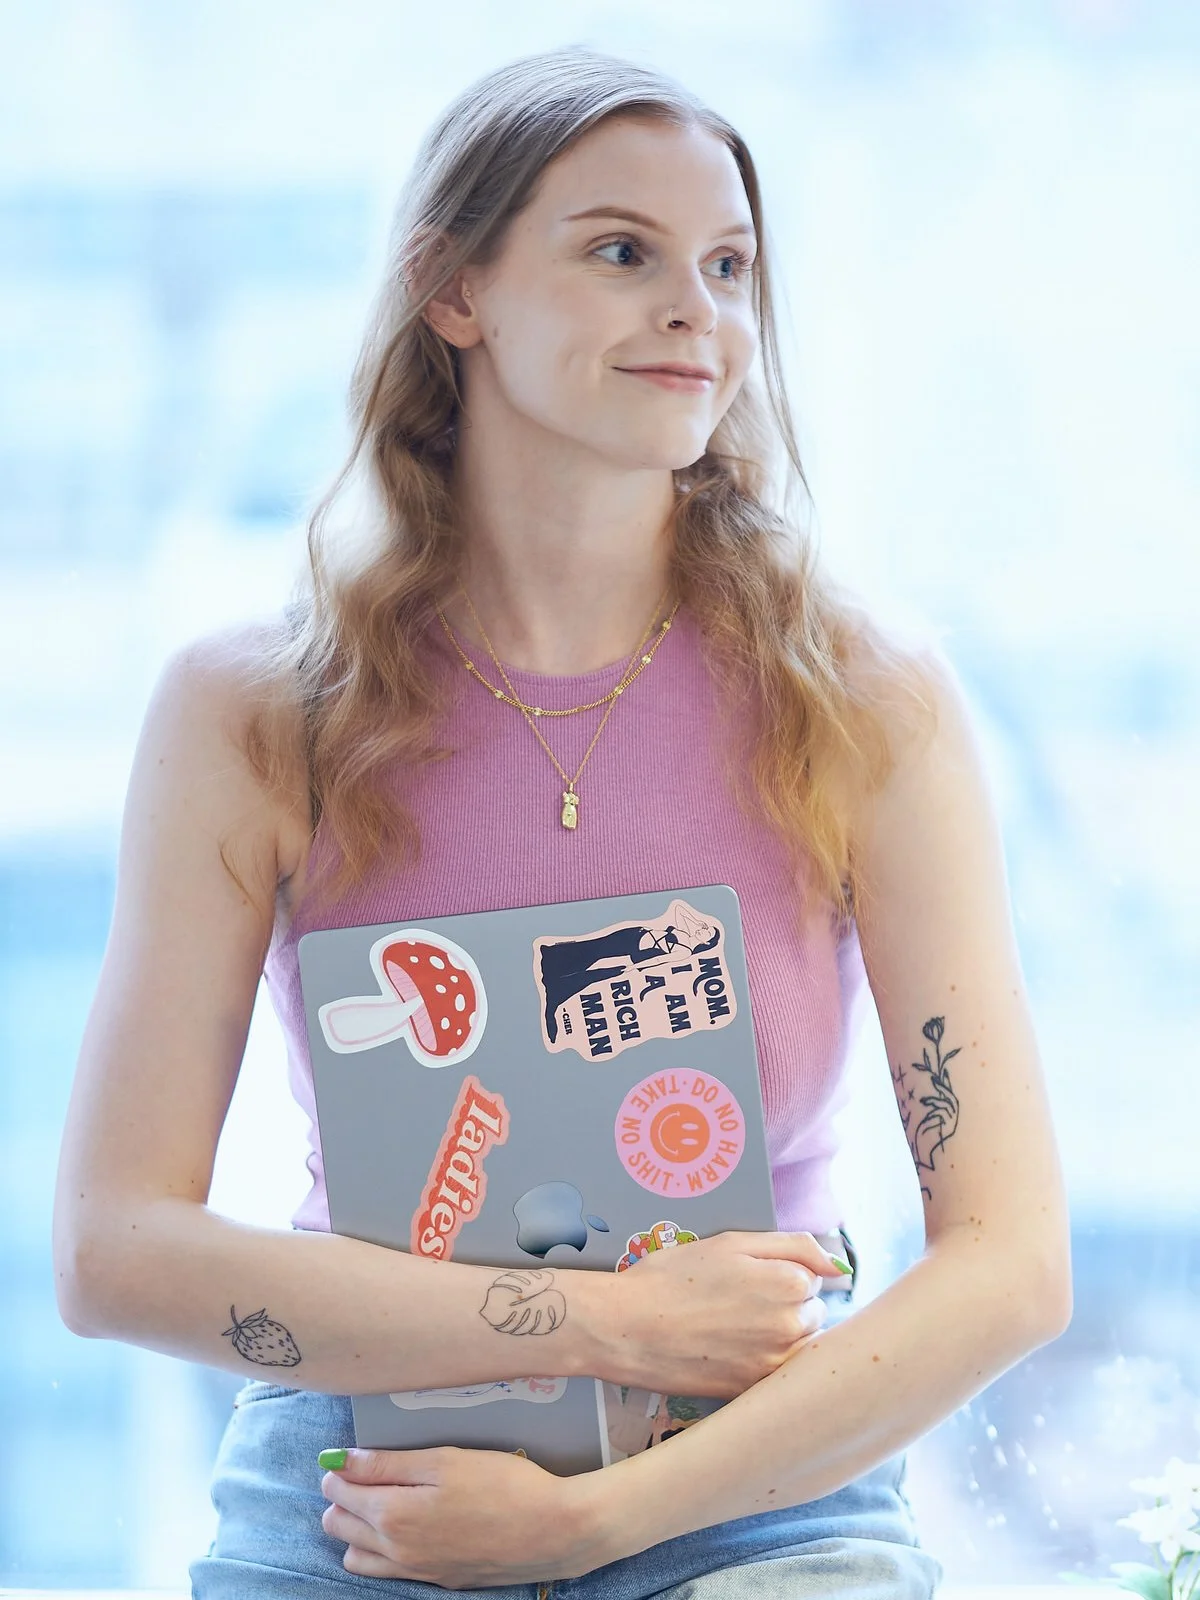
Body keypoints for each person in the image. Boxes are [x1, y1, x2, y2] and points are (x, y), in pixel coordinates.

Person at [51, 44, 1072, 1599]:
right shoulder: (252, 710)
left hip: (754, 1480)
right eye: (621, 252)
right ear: (451, 289)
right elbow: (111, 1253)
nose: (696, 310)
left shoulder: (866, 698)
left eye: (728, 266)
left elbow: (1014, 1264)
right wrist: (604, 1323)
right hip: (367, 1480)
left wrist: (594, 1523)